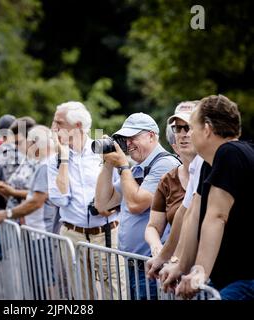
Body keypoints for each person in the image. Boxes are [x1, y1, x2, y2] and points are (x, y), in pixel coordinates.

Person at [171, 95, 254, 300]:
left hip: (245, 280)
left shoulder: (230, 153)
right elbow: (195, 213)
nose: (188, 134)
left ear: (206, 129)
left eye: (191, 127)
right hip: (228, 279)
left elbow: (217, 216)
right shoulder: (211, 163)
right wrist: (181, 266)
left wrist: (200, 271)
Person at [95, 112, 180, 300]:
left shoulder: (165, 164)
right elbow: (102, 203)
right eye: (125, 139)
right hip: (135, 266)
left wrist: (123, 166)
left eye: (133, 137)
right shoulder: (136, 170)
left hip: (155, 268)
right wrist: (108, 164)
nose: (128, 143)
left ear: (151, 135)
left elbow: (136, 204)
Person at [48, 101, 120, 300]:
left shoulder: (103, 150)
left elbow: (121, 188)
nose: (53, 128)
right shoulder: (54, 158)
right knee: (81, 295)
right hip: (73, 235)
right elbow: (59, 199)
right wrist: (63, 160)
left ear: (77, 126)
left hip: (106, 233)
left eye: (59, 123)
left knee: (115, 293)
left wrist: (112, 206)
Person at [0, 125, 58, 299]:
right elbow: (32, 197)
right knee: (39, 280)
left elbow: (36, 201)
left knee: (47, 281)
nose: (24, 148)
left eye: (27, 143)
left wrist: (8, 214)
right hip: (36, 232)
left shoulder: (45, 166)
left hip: (42, 233)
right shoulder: (42, 164)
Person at [145, 102, 198, 257]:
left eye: (188, 127)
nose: (183, 134)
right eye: (178, 128)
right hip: (177, 269)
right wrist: (156, 246)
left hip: (214, 271)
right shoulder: (168, 180)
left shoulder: (217, 172)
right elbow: (153, 227)